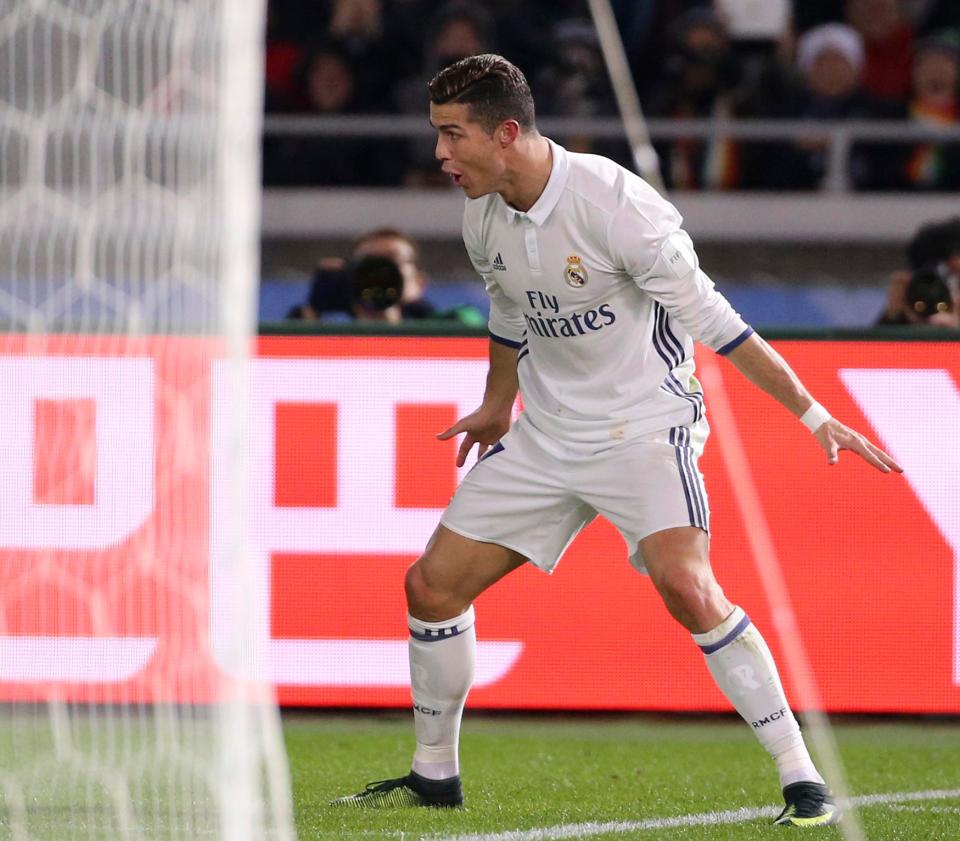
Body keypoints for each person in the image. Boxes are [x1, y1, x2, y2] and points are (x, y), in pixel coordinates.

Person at [331, 54, 902, 825]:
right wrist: (499, 403)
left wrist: (811, 411)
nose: (440, 153)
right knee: (431, 585)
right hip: (549, 432)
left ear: (506, 133)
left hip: (646, 422)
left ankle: (802, 775)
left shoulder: (617, 205)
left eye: (452, 134)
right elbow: (509, 313)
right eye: (437, 134)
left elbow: (719, 324)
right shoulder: (482, 214)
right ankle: (435, 775)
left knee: (687, 587)